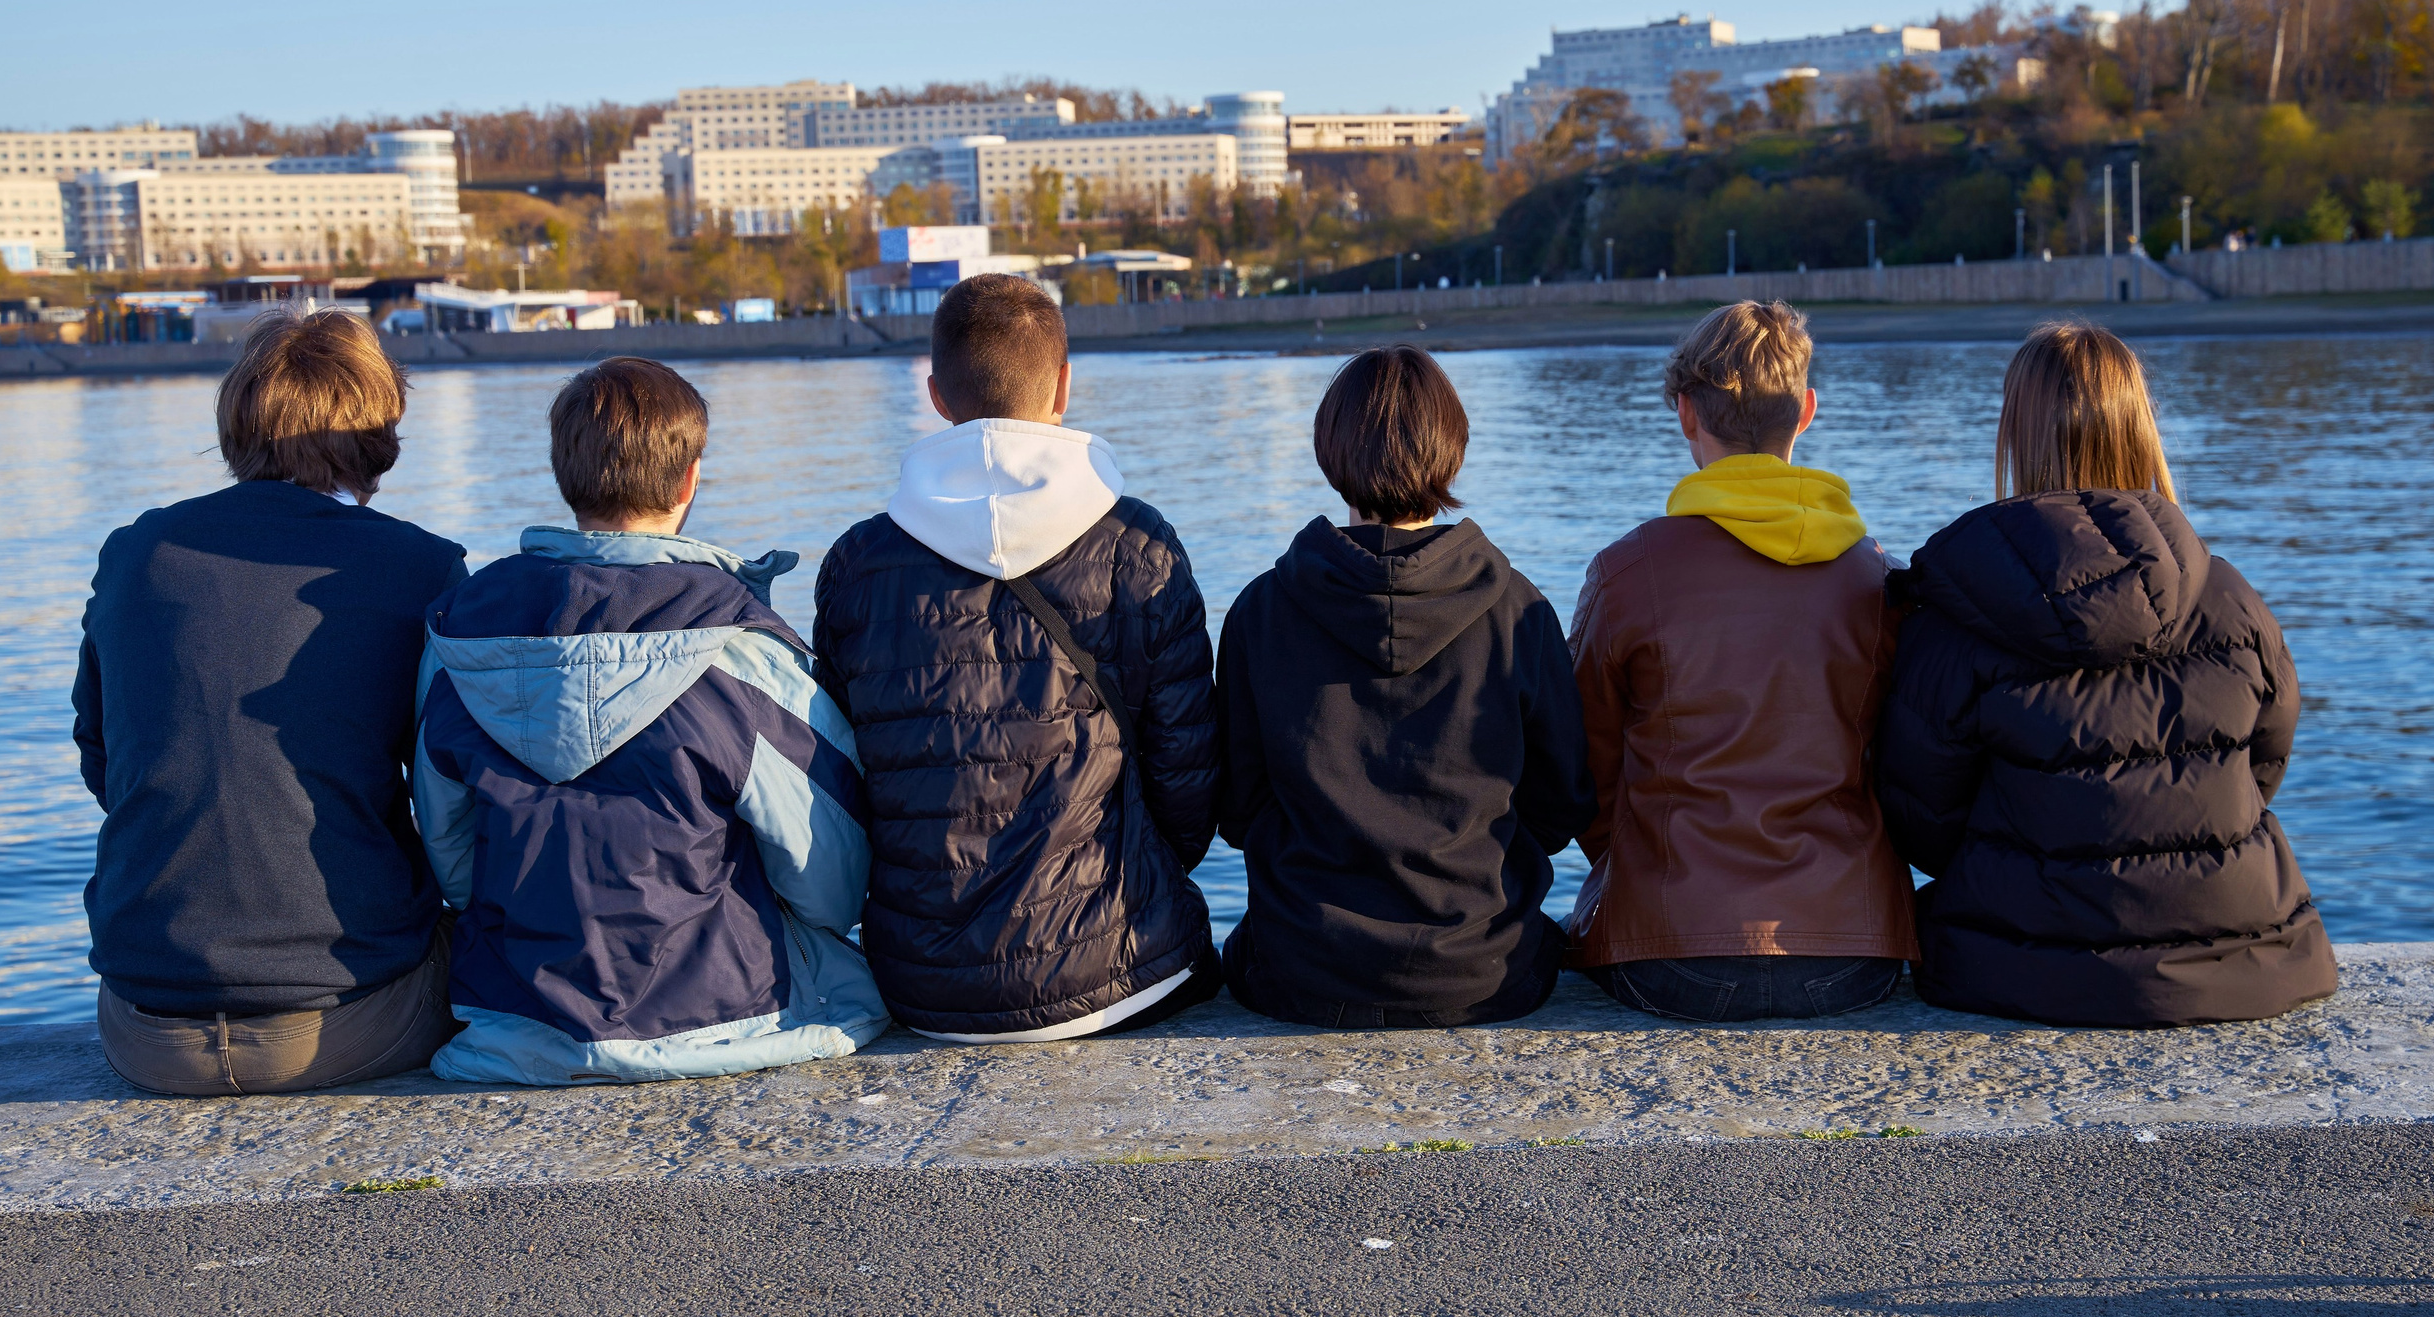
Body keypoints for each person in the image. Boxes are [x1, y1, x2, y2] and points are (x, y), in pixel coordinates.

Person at [412, 358, 885, 1083]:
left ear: (564, 477)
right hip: (728, 1014)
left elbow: (453, 860)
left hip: (516, 1017)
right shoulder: (739, 652)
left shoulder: (461, 646)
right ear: (690, 480)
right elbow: (832, 881)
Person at [1876, 324, 2336, 1026]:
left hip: (2022, 967)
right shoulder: (2232, 600)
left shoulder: (1955, 616)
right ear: (2141, 429)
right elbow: (2259, 770)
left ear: (2015, 435)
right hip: (2250, 958)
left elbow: (1921, 822)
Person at [812, 273, 1220, 1042]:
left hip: (922, 984)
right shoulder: (1136, 546)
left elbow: (844, 780)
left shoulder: (856, 565)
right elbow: (1188, 781)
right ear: (1063, 385)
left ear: (937, 395)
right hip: (1119, 971)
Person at [75, 311, 469, 1095]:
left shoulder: (137, 553)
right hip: (349, 1019)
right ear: (380, 427)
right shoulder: (420, 565)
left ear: (239, 418)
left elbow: (104, 760)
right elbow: (458, 787)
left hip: (145, 1025)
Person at [1214, 348, 1595, 1027]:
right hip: (1484, 968)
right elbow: (1561, 807)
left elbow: (1239, 813)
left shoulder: (1260, 611)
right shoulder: (1520, 611)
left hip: (1301, 966)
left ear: (1330, 450)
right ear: (1453, 449)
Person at [1567, 300, 1917, 1023]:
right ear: (1807, 411)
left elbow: (1584, 772)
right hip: (1852, 953)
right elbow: (1909, 765)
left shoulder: (1626, 574)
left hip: (1670, 951)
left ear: (1687, 414)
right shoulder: (1879, 580)